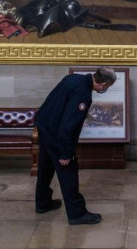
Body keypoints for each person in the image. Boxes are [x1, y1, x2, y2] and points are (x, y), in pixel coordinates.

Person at [35, 67, 118, 225]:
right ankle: (77, 213)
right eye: (108, 87)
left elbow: (60, 102)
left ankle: (43, 202)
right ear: (104, 84)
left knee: (45, 168)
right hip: (57, 134)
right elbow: (68, 125)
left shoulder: (73, 79)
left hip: (45, 126)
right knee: (68, 172)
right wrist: (66, 154)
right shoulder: (84, 94)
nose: (106, 89)